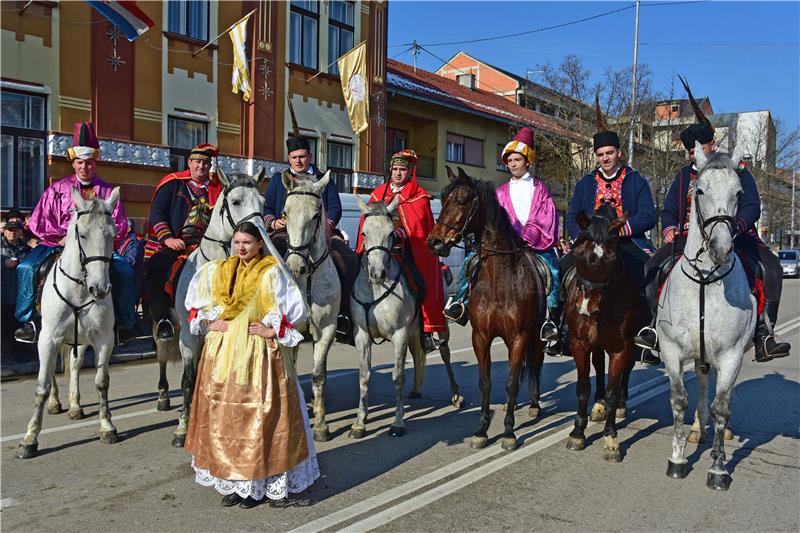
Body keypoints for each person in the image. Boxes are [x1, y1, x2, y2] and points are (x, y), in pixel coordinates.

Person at [636, 81, 790, 362]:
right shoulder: (684, 176)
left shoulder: (737, 171)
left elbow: (752, 206)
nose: (698, 153)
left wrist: (737, 226)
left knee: (772, 269)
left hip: (735, 236)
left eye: (703, 147)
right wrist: (670, 228)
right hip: (689, 239)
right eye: (693, 150)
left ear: (712, 144)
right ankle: (654, 328)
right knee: (652, 266)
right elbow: (669, 209)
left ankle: (764, 333)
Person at [184, 221, 318, 509]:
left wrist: (273, 331)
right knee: (228, 421)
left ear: (260, 244)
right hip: (223, 354)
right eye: (237, 242)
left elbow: (294, 312)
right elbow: (197, 305)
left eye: (247, 242)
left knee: (260, 418)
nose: (241, 247)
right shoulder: (219, 270)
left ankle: (263, 482)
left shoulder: (271, 272)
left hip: (258, 353)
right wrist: (210, 320)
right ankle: (237, 482)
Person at [13, 122, 138, 346]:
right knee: (26, 268)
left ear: (95, 163)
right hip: (56, 243)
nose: (84, 167)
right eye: (80, 162)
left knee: (126, 273)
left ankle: (125, 324)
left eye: (89, 163)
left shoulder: (108, 192)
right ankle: (28, 322)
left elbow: (117, 225)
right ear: (74, 163)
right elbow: (40, 221)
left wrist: (103, 242)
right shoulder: (57, 190)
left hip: (98, 249)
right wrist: (61, 238)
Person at [553, 112, 657, 362]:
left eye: (609, 153)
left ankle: (647, 331)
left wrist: (623, 229)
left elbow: (648, 215)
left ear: (619, 153)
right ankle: (559, 328)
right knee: (562, 269)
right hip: (592, 242)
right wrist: (584, 236)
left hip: (626, 241)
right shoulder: (585, 183)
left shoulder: (635, 180)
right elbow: (573, 215)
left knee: (651, 271)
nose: (605, 158)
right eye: (600, 155)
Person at [263, 133, 357, 342]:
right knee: (267, 260)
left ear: (310, 156)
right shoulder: (280, 179)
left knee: (346, 258)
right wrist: (273, 222)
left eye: (302, 156)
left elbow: (334, 207)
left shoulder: (323, 178)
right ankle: (269, 310)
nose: (298, 160)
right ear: (289, 158)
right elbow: (267, 206)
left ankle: (344, 313)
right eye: (294, 157)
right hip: (286, 232)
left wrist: (326, 227)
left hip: (320, 232)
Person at [356, 149, 447, 352]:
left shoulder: (419, 197)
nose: (397, 174)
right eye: (395, 169)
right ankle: (349, 319)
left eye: (402, 170)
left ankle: (425, 330)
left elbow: (420, 229)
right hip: (376, 252)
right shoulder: (377, 194)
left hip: (407, 253)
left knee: (419, 282)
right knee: (353, 276)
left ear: (410, 171)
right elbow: (366, 225)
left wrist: (401, 234)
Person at [144, 144, 223, 340]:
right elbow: (157, 213)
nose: (201, 167)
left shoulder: (217, 189)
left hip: (207, 244)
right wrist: (168, 238)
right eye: (197, 162)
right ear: (189, 163)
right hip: (175, 243)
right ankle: (163, 319)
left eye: (206, 163)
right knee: (156, 267)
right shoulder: (173, 183)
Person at [1, 217, 31, 347]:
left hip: (18, 294)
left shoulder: (27, 249)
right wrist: (2, 263)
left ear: (20, 233)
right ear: (5, 232)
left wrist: (19, 263)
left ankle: (16, 350)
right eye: (10, 230)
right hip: (2, 293)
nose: (12, 233)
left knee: (15, 323)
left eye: (16, 230)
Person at [118, 218, 145, 323]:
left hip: (131, 284)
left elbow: (130, 262)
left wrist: (114, 260)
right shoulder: (122, 241)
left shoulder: (135, 244)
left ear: (128, 229)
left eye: (121, 227)